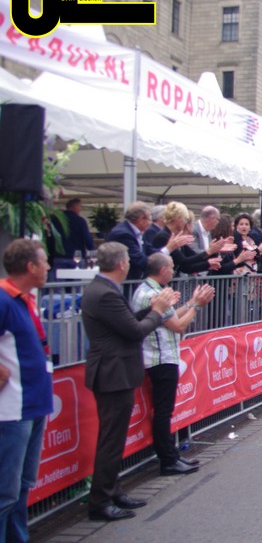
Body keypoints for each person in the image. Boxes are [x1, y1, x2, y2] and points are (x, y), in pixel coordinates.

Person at [82, 242, 176, 521]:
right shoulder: (105, 293)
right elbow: (135, 332)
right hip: (113, 372)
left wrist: (153, 310)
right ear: (122, 264)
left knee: (114, 437)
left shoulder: (104, 289)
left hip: (115, 370)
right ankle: (101, 499)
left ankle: (112, 490)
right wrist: (157, 311)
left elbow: (126, 323)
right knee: (111, 439)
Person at [131, 254, 214, 477]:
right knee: (163, 412)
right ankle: (168, 460)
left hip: (159, 356)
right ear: (163, 270)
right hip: (160, 358)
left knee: (164, 411)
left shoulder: (147, 290)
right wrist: (197, 306)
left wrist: (190, 303)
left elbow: (169, 318)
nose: (173, 271)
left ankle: (171, 455)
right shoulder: (153, 294)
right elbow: (178, 326)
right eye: (170, 267)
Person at [0, 240, 52, 542]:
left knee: (20, 487)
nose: (48, 267)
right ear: (30, 266)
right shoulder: (4, 299)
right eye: (44, 262)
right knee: (6, 492)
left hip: (32, 405)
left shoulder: (24, 299)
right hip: (11, 411)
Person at [105, 201, 155, 281]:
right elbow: (139, 260)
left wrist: (167, 251)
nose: (150, 223)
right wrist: (168, 248)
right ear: (141, 219)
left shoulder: (136, 232)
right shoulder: (123, 234)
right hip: (123, 282)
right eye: (150, 219)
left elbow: (149, 250)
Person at [52, 197, 95, 269]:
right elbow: (87, 238)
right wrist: (92, 252)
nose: (80, 209)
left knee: (59, 275)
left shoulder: (56, 220)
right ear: (75, 207)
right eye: (80, 206)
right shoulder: (80, 221)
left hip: (60, 256)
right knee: (77, 275)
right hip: (77, 257)